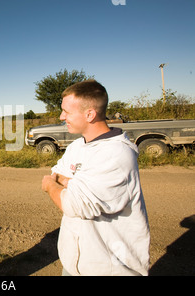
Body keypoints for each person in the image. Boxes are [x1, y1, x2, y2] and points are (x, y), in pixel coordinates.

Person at [41, 80, 150, 276]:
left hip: (109, 269)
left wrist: (50, 185)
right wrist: (70, 183)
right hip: (74, 265)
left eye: (66, 111)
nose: (61, 116)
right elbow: (57, 173)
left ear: (89, 114)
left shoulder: (116, 154)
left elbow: (74, 204)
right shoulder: (76, 147)